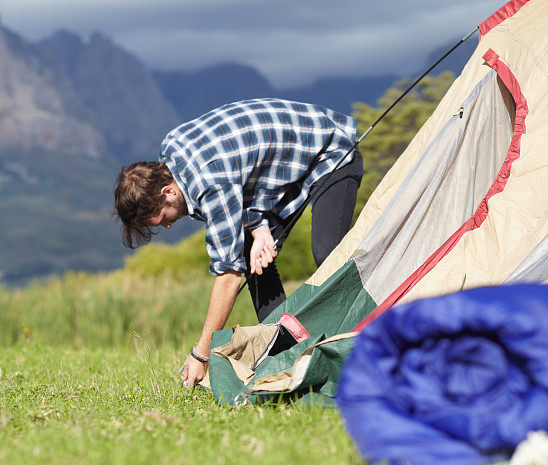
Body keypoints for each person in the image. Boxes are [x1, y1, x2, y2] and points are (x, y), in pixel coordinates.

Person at [113, 98, 362, 387]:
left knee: (328, 252)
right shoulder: (170, 149)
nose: (168, 225)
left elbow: (229, 276)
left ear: (168, 192)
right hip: (284, 174)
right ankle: (289, 349)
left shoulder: (208, 185)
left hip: (331, 151)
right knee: (251, 257)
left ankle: (364, 334)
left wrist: (201, 353)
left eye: (162, 217)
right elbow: (241, 170)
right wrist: (258, 228)